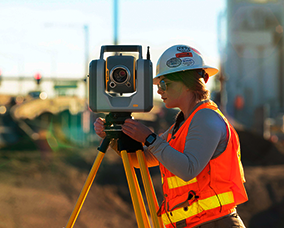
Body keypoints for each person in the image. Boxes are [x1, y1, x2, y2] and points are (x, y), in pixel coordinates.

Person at [94, 44, 248, 228]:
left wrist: (150, 139)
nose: (159, 90)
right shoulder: (181, 125)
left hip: (215, 223)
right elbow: (141, 160)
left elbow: (188, 169)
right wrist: (114, 140)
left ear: (188, 83)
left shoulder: (206, 118)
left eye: (164, 84)